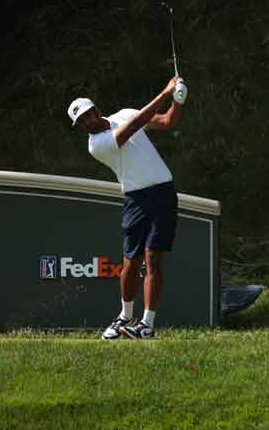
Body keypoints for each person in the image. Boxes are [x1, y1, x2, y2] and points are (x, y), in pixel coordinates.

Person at [66, 75, 186, 339]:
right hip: (134, 198)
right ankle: (125, 315)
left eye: (88, 115)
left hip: (163, 194)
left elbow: (166, 122)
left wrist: (178, 100)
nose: (87, 122)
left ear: (96, 110)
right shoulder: (96, 146)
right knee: (130, 262)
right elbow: (134, 126)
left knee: (153, 258)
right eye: (81, 122)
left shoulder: (123, 113)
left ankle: (147, 324)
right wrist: (165, 93)